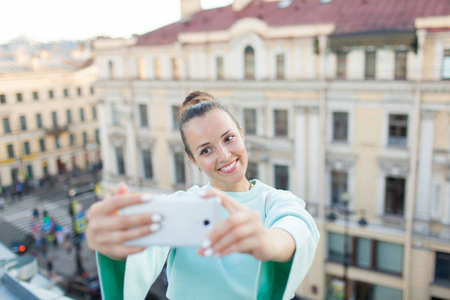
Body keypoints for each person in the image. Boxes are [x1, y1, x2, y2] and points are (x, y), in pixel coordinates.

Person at [86, 91, 320, 300]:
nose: (224, 155)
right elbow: (142, 249)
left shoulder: (275, 201)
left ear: (241, 134)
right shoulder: (184, 207)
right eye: (206, 150)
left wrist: (266, 242)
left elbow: (298, 227)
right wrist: (116, 249)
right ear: (193, 160)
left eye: (228, 138)